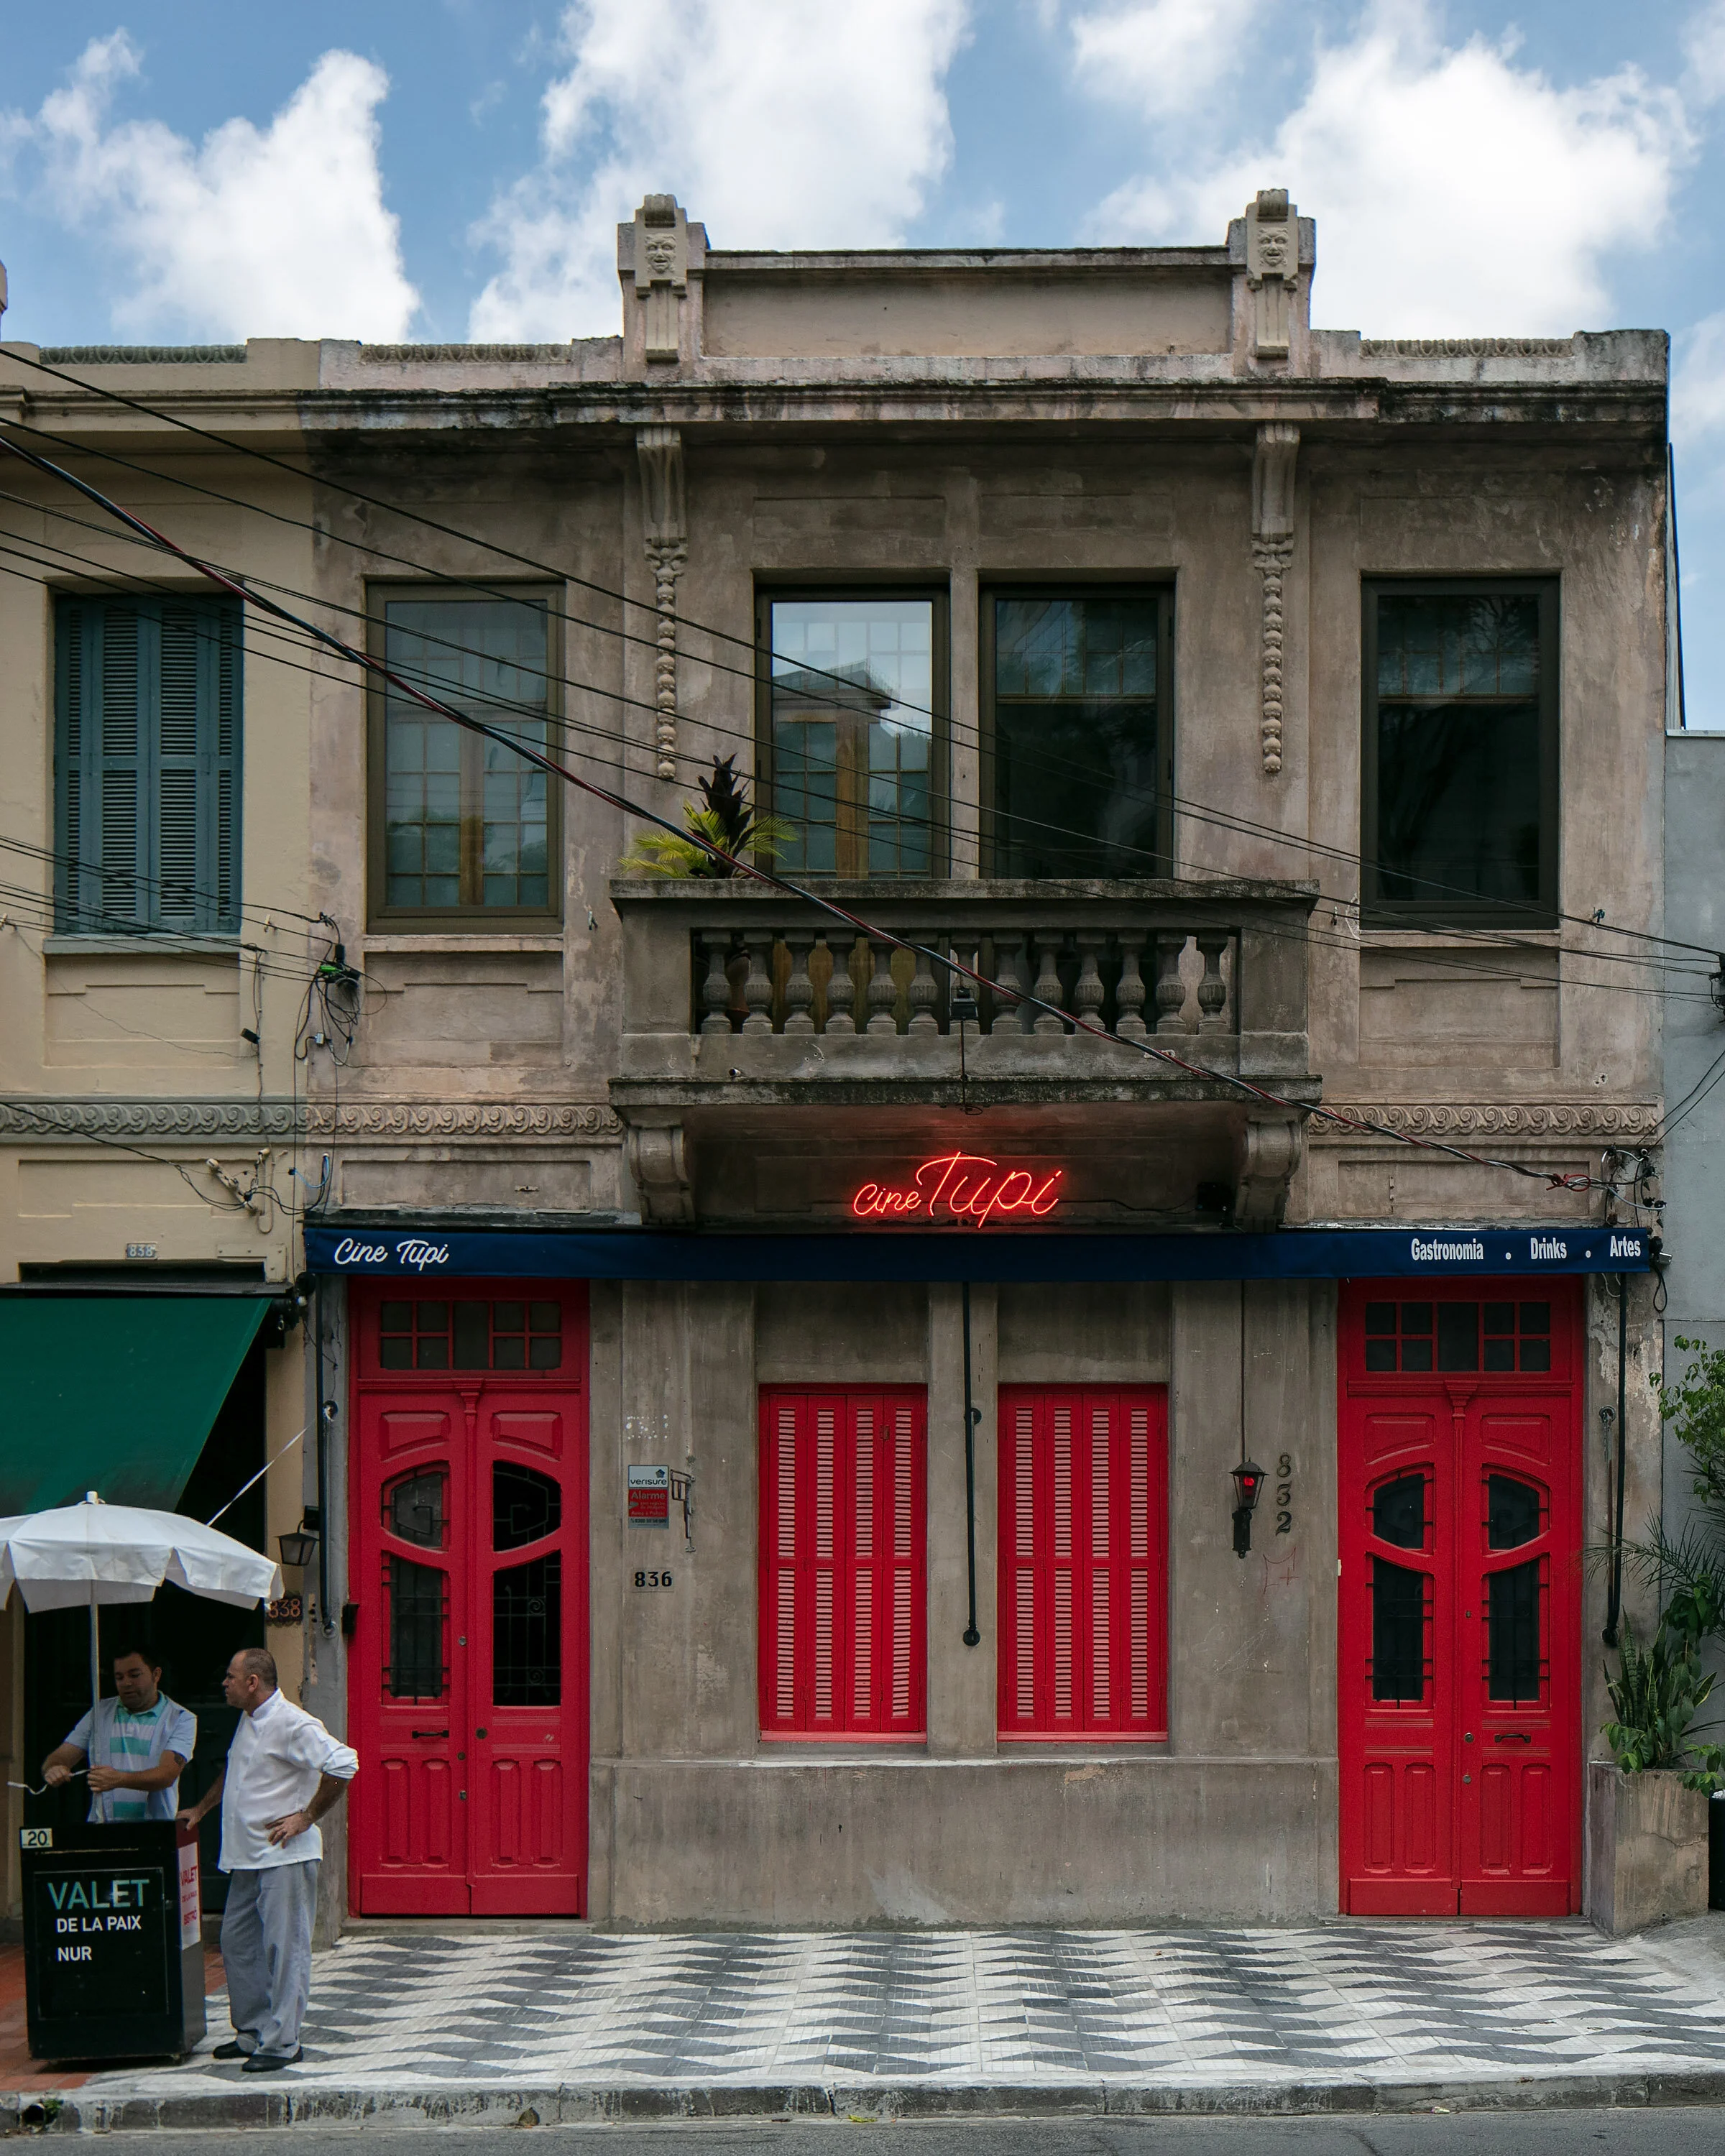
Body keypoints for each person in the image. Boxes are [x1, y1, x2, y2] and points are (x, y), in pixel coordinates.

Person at [179, 1647, 357, 2074]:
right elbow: (236, 1770)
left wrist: (306, 1817)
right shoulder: (250, 1719)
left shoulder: (292, 1722)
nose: (224, 1683)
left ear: (252, 1682)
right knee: (238, 1943)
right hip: (246, 1857)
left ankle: (283, 2042)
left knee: (286, 1948)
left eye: (230, 1677)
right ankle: (254, 2030)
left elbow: (345, 1763)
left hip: (285, 1858)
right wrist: (201, 1809)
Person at [41, 1641, 196, 1823]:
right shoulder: (100, 1712)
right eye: (119, 1677)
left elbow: (166, 1775)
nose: (126, 1683)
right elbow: (59, 1757)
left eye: (134, 1675)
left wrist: (118, 1779)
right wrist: (54, 1769)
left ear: (156, 1675)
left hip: (155, 1830)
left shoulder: (180, 1718)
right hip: (103, 1826)